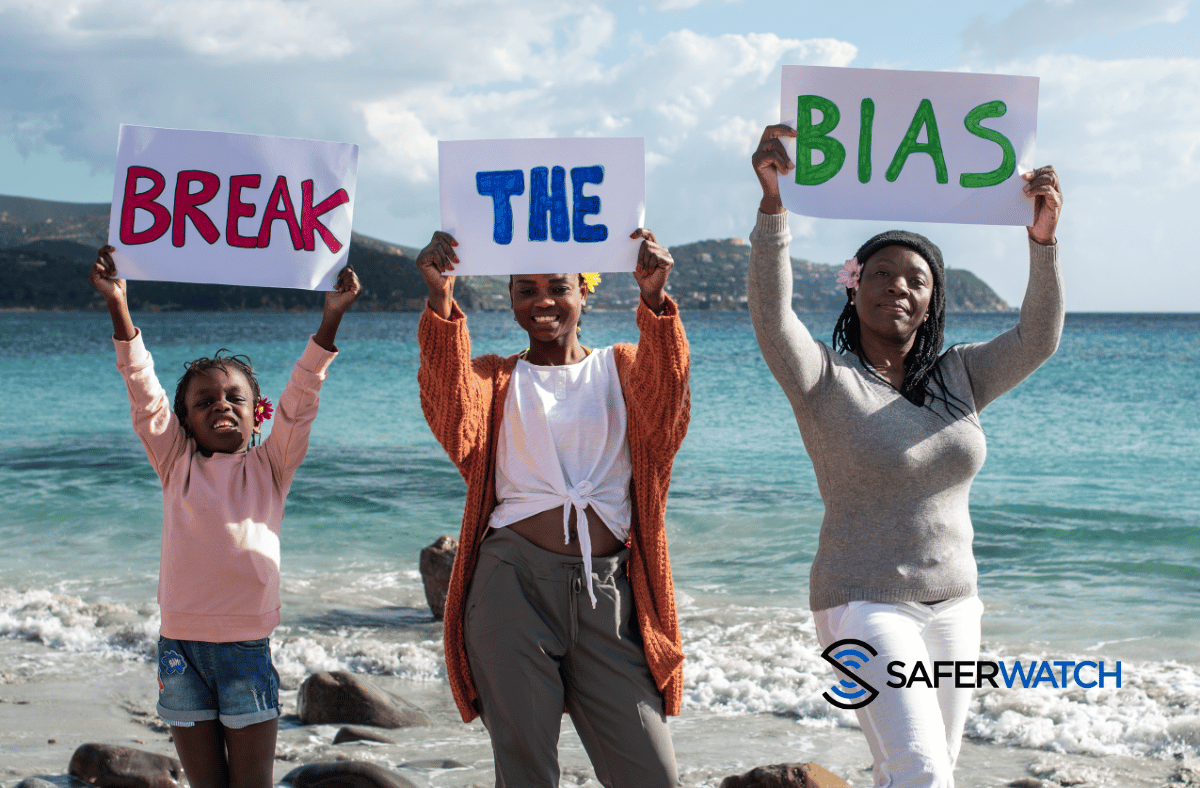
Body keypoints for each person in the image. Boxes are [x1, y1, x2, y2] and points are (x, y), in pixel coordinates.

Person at [747, 125, 1064, 788]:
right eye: (882, 273)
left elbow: (1037, 337)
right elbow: (774, 316)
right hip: (862, 603)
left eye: (915, 278)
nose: (898, 285)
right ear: (853, 287)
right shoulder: (822, 379)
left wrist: (1042, 242)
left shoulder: (960, 377)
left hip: (956, 607)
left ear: (931, 301)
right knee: (920, 770)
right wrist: (774, 204)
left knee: (926, 772)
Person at [414, 229, 690, 788]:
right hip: (510, 587)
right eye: (525, 290)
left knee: (651, 775)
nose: (542, 301)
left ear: (584, 292)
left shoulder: (622, 366)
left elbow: (667, 411)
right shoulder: (494, 379)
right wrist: (442, 301)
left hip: (609, 591)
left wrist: (656, 304)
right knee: (527, 775)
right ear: (511, 300)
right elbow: (451, 416)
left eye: (558, 287)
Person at [89, 246, 361, 788]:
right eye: (204, 401)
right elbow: (144, 396)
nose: (221, 405)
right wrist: (119, 305)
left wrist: (332, 316)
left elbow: (301, 399)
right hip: (179, 652)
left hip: (245, 651)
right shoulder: (175, 465)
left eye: (235, 397)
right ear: (185, 421)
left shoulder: (272, 466)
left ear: (256, 411)